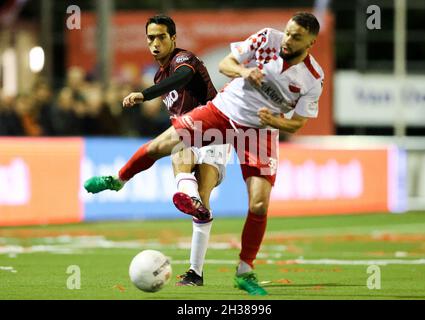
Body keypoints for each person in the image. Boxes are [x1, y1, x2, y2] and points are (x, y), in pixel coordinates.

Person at [87, 12, 324, 295]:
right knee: (162, 147)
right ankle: (122, 180)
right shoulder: (267, 39)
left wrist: (277, 122)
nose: (287, 39)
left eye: (296, 36)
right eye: (287, 32)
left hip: (259, 130)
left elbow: (297, 123)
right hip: (224, 112)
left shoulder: (312, 78)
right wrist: (245, 71)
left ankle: (244, 269)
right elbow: (227, 63)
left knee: (259, 204)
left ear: (310, 43)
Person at [84, 15, 231, 286]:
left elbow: (182, 78)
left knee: (188, 171)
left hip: (215, 134)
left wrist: (145, 94)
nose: (155, 43)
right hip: (189, 134)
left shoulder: (183, 60)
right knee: (186, 168)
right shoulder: (159, 74)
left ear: (173, 39)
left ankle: (122, 181)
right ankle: (195, 273)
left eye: (161, 37)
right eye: (150, 37)